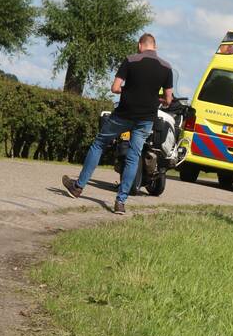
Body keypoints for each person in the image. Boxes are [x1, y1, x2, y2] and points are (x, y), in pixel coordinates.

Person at [62, 33, 173, 215]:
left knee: (99, 144)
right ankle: (120, 202)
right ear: (155, 47)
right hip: (146, 118)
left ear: (140, 45)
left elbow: (114, 88)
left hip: (123, 115)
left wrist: (130, 90)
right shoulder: (166, 67)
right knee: (133, 156)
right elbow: (168, 99)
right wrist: (155, 97)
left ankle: (78, 187)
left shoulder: (130, 60)